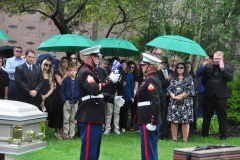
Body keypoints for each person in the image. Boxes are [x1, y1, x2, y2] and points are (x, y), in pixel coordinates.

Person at [74, 45, 125, 160]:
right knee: (89, 151)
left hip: (94, 115)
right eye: (96, 56)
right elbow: (94, 89)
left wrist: (112, 98)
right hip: (89, 115)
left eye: (99, 55)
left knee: (94, 150)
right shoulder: (86, 72)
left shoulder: (93, 71)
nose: (99, 58)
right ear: (88, 57)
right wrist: (110, 79)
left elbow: (98, 94)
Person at [201, 51, 233, 140]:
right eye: (215, 58)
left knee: (222, 116)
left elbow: (230, 78)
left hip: (221, 96)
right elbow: (203, 81)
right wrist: (209, 87)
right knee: (207, 115)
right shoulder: (208, 68)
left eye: (218, 59)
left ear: (222, 59)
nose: (216, 60)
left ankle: (222, 135)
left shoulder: (227, 68)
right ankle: (204, 134)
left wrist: (222, 69)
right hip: (209, 95)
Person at [137, 53, 162, 160]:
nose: (141, 67)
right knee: (150, 149)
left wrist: (152, 122)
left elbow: (155, 102)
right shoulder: (150, 78)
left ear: (150, 66)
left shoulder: (151, 80)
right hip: (146, 117)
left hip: (148, 118)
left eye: (144, 65)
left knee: (148, 152)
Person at [166, 62, 195, 142]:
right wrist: (173, 96)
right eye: (178, 67)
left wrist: (181, 96)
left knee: (185, 121)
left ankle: (184, 139)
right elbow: (169, 89)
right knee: (173, 120)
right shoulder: (174, 78)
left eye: (181, 67)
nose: (179, 69)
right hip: (174, 102)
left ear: (184, 69)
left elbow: (190, 90)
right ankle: (174, 138)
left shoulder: (189, 78)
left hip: (185, 102)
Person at [48, 57, 69, 139]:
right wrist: (66, 74)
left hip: (67, 93)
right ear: (61, 63)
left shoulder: (69, 71)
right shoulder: (57, 71)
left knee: (65, 113)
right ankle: (58, 131)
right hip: (58, 94)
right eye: (63, 62)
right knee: (58, 112)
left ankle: (65, 131)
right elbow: (60, 82)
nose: (65, 64)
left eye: (66, 62)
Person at [104, 57, 124, 135]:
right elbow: (108, 82)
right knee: (109, 111)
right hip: (110, 93)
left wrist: (114, 80)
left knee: (117, 112)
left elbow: (121, 82)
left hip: (118, 93)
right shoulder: (109, 72)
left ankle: (116, 128)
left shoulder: (121, 73)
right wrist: (114, 80)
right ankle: (107, 128)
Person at [60, 65, 80, 140]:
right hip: (67, 101)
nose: (72, 72)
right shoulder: (66, 80)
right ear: (68, 71)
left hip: (75, 101)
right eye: (71, 71)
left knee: (73, 119)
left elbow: (81, 91)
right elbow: (62, 91)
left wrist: (78, 99)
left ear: (76, 72)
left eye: (74, 71)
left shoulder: (78, 81)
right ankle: (65, 134)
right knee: (66, 119)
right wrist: (65, 100)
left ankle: (72, 135)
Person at [156, 56, 173, 140]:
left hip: (170, 96)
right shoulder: (157, 73)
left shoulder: (171, 72)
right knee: (160, 114)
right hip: (160, 96)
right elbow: (159, 83)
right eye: (161, 62)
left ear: (167, 63)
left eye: (165, 62)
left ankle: (165, 134)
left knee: (166, 115)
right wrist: (167, 80)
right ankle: (159, 132)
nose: (163, 64)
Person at [120, 60, 134, 133]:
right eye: (122, 65)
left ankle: (123, 127)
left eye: (124, 65)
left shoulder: (129, 74)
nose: (123, 66)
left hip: (127, 94)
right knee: (119, 111)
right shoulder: (119, 73)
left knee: (125, 111)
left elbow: (132, 85)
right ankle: (117, 125)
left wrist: (132, 96)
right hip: (120, 94)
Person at [185, 62, 198, 131]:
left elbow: (195, 88)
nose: (187, 68)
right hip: (182, 98)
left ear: (191, 68)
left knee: (191, 113)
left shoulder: (194, 77)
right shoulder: (181, 76)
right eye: (186, 67)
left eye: (188, 67)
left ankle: (191, 129)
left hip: (191, 98)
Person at [128, 61, 139, 131]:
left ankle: (132, 125)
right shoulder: (125, 74)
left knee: (133, 111)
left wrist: (133, 95)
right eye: (130, 67)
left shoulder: (136, 75)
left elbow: (136, 87)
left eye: (133, 67)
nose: (131, 68)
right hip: (125, 94)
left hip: (133, 94)